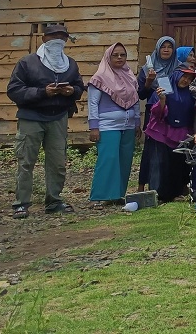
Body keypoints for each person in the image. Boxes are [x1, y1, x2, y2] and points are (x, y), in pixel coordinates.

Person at [8, 23, 86, 219]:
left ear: (66, 40)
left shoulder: (70, 64)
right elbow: (14, 90)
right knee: (26, 161)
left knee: (57, 162)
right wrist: (42, 92)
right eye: (53, 36)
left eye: (62, 37)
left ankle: (54, 201)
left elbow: (79, 87)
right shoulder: (27, 62)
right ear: (44, 39)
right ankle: (21, 204)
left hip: (58, 117)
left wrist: (72, 91)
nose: (58, 40)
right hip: (31, 117)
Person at [87, 43, 141, 204]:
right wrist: (94, 127)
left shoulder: (130, 76)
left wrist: (137, 122)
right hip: (107, 125)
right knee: (108, 159)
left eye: (122, 55)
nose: (119, 58)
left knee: (125, 160)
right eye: (115, 55)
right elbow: (92, 103)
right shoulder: (99, 78)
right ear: (108, 57)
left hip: (128, 125)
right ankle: (101, 196)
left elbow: (135, 100)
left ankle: (118, 195)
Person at [144, 65, 196, 202]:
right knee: (161, 164)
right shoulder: (163, 89)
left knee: (178, 164)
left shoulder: (189, 95)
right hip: (163, 132)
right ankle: (158, 194)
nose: (186, 80)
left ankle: (176, 193)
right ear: (176, 76)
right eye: (184, 77)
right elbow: (156, 113)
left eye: (189, 79)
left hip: (181, 133)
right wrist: (162, 100)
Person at [137, 36, 176, 192]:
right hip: (154, 112)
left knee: (170, 148)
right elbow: (141, 94)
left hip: (173, 111)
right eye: (163, 47)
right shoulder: (147, 68)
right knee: (152, 149)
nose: (166, 50)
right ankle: (145, 186)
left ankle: (168, 187)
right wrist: (148, 81)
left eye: (169, 47)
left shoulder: (178, 67)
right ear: (158, 49)